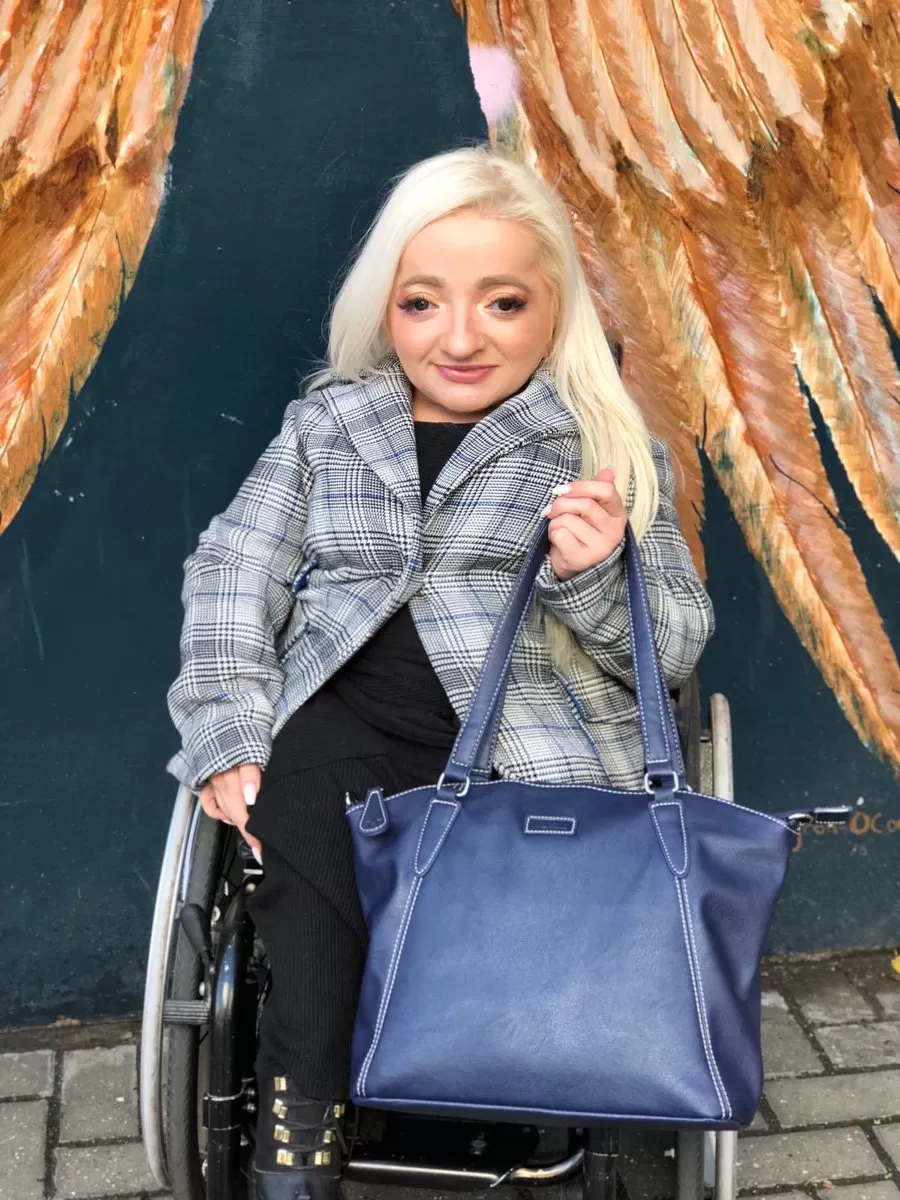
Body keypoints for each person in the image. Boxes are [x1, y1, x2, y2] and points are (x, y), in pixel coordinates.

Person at [167, 145, 714, 1200]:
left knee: (534, 868)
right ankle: (299, 1134)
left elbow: (674, 646)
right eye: (423, 304)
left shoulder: (598, 442)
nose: (459, 337)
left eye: (502, 304)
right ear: (388, 310)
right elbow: (236, 570)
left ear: (553, 310)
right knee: (300, 820)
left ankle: (560, 1097)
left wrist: (596, 571)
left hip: (528, 736)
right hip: (343, 717)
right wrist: (229, 730)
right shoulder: (331, 424)